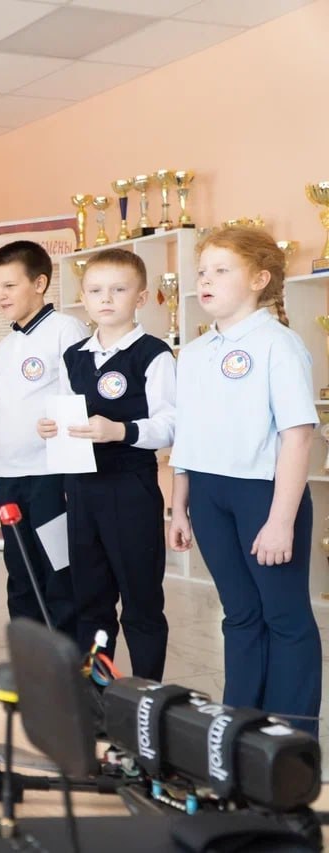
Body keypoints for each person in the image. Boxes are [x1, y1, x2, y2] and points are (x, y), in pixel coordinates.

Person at [168, 226, 320, 734]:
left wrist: (281, 521)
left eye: (221, 270)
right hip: (209, 494)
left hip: (264, 495)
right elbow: (187, 436)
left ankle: (290, 740)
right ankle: (240, 729)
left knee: (284, 617)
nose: (206, 280)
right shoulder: (194, 352)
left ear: (259, 279)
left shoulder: (279, 344)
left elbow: (297, 437)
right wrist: (179, 506)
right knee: (238, 613)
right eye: (202, 271)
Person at [39, 248, 175, 680]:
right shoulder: (74, 356)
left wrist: (120, 431)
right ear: (83, 297)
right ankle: (96, 693)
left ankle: (146, 695)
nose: (106, 299)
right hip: (82, 489)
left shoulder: (153, 354)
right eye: (96, 291)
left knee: (141, 601)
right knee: (90, 601)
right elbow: (69, 412)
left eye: (119, 290)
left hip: (130, 487)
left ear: (141, 297)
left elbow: (170, 425)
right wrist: (52, 428)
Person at [0, 240, 86, 638]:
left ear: (40, 283)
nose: (1, 295)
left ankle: (67, 665)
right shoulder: (6, 346)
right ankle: (29, 662)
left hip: (50, 476)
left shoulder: (66, 329)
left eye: (9, 286)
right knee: (21, 574)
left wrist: (68, 475)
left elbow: (77, 399)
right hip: (10, 477)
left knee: (58, 573)